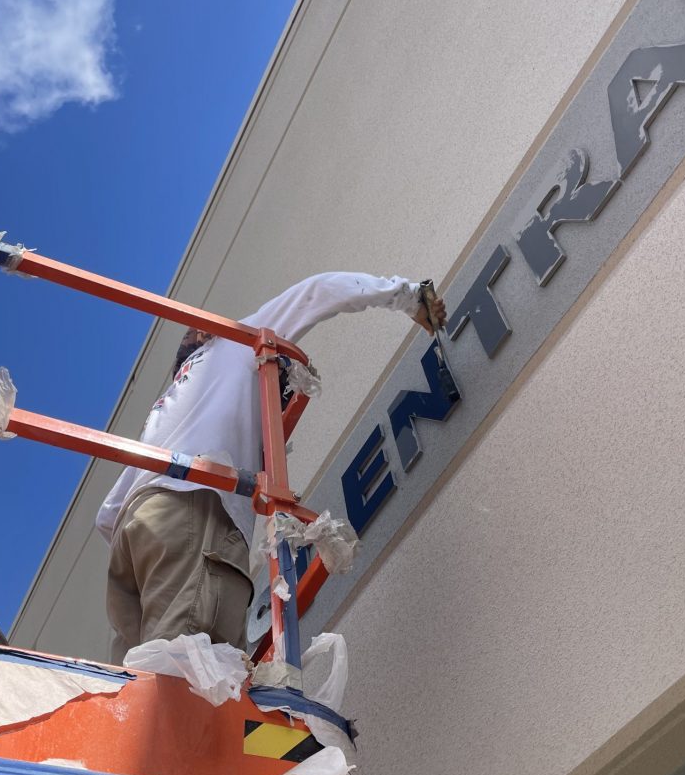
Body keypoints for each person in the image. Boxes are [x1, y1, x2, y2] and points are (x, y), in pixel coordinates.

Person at [96, 272, 446, 663]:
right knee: (186, 682)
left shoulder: (162, 414)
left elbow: (107, 515)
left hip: (133, 534)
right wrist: (408, 296)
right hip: (192, 508)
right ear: (203, 336)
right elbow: (314, 292)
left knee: (131, 685)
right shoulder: (232, 343)